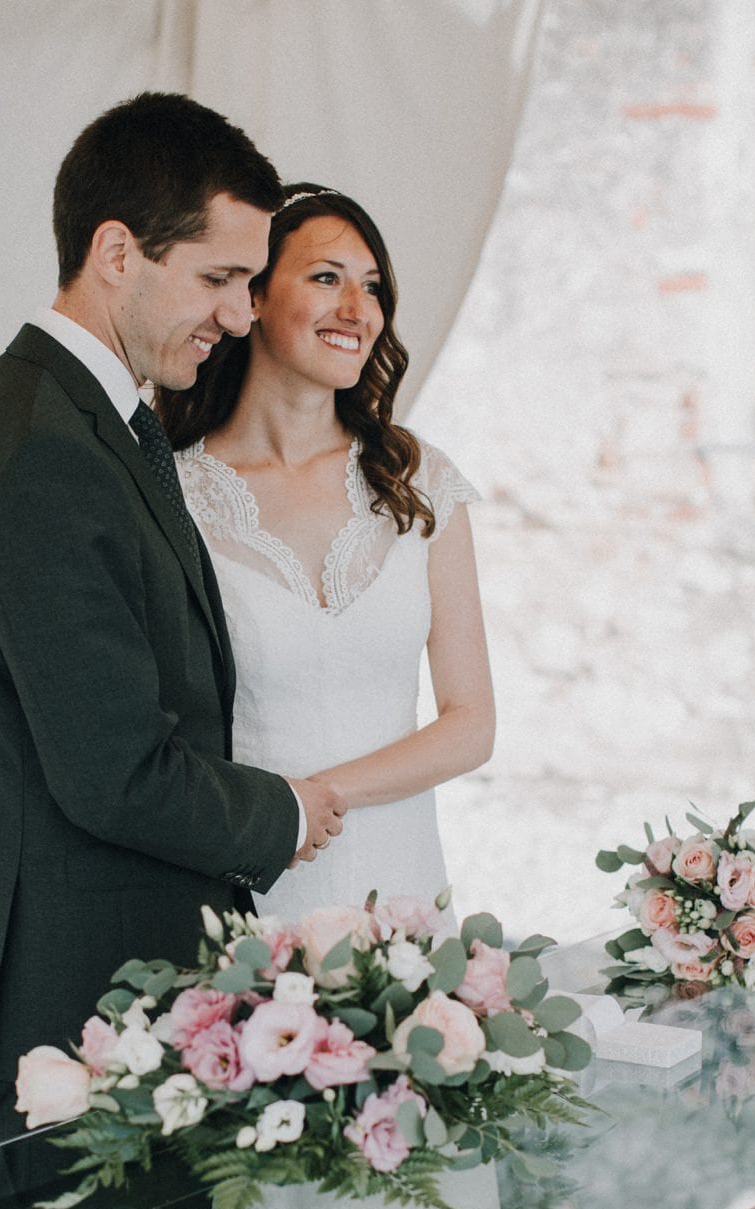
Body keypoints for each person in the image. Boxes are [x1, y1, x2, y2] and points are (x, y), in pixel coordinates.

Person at [0, 98, 345, 1209]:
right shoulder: (45, 449)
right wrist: (286, 810)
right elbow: (112, 771)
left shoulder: (97, 417)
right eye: (219, 277)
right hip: (71, 1000)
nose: (238, 312)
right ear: (118, 250)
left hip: (122, 983)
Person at [163, 182, 495, 924]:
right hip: (251, 894)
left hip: (402, 889)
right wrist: (272, 823)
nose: (358, 309)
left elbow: (471, 721)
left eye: (372, 287)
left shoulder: (420, 481)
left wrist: (311, 802)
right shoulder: (173, 495)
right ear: (251, 298)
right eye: (326, 278)